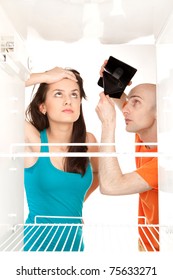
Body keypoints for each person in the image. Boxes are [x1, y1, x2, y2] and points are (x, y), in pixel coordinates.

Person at [24, 67, 99, 251]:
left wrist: (75, 204)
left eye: (74, 95)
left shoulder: (88, 141)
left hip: (74, 247)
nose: (68, 100)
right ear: (42, 106)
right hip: (36, 249)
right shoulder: (34, 140)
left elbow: (97, 173)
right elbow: (5, 89)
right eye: (58, 94)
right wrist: (45, 76)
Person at [95, 60, 159, 251]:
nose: (125, 109)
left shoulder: (166, 161)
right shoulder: (145, 134)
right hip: (146, 241)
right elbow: (126, 104)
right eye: (128, 101)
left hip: (162, 248)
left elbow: (110, 186)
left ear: (160, 113)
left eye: (136, 102)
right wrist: (111, 80)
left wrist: (108, 124)